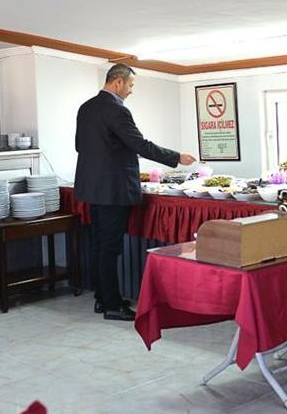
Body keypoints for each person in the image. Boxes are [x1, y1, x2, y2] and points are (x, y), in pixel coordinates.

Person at [75, 63, 196, 321]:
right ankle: (112, 305)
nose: (131, 90)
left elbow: (80, 146)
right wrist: (176, 157)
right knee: (110, 247)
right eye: (130, 85)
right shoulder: (117, 110)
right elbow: (140, 144)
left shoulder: (86, 108)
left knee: (100, 245)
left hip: (93, 188)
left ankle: (102, 299)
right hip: (113, 189)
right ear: (118, 82)